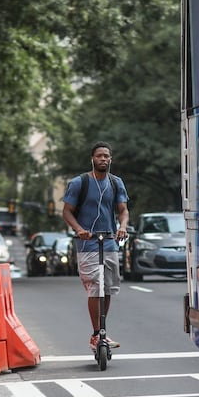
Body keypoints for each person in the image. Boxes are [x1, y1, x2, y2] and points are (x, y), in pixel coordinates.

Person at [62, 141, 130, 351]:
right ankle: (96, 334)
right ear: (92, 158)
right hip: (87, 243)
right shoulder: (79, 183)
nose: (103, 159)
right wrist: (79, 229)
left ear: (111, 159)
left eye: (106, 156)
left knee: (107, 288)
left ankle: (102, 331)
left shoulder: (116, 182)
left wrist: (123, 227)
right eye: (99, 155)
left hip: (109, 241)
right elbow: (66, 211)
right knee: (95, 287)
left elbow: (123, 211)